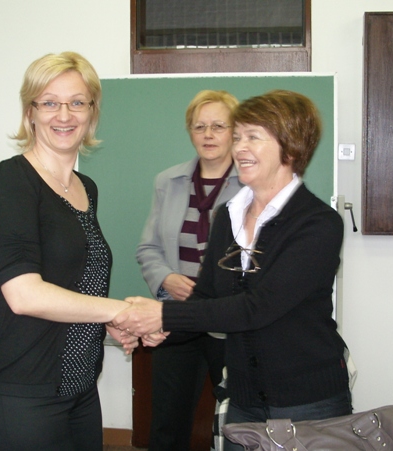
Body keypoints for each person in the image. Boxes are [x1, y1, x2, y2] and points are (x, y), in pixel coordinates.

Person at [115, 90, 352, 451]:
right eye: (238, 136)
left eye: (253, 137)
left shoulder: (318, 223)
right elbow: (207, 296)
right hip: (243, 400)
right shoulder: (228, 215)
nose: (239, 147)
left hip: (307, 401)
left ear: (291, 148)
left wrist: (161, 315)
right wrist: (152, 329)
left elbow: (258, 307)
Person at [0, 51, 153, 451]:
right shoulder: (10, 181)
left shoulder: (86, 188)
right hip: (22, 389)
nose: (64, 115)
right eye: (50, 103)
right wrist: (118, 312)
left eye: (77, 102)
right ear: (30, 112)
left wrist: (105, 320)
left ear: (92, 112)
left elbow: (75, 279)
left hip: (80, 385)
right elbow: (24, 295)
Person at [136, 89, 242, 451]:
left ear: (235, 131)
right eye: (200, 127)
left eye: (218, 126)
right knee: (167, 422)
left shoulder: (252, 182)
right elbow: (148, 248)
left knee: (239, 420)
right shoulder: (168, 181)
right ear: (190, 132)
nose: (208, 135)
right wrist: (165, 279)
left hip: (228, 321)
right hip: (178, 316)